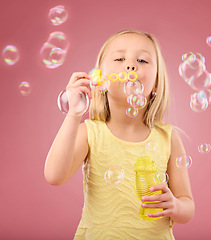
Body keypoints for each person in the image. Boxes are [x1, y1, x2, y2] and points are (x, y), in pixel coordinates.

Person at [44, 29, 195, 240]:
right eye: (120, 58)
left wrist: (176, 206)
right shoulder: (90, 132)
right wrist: (73, 114)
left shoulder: (167, 138)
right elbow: (54, 175)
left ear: (156, 83)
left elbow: (187, 205)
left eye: (142, 60)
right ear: (100, 80)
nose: (131, 65)